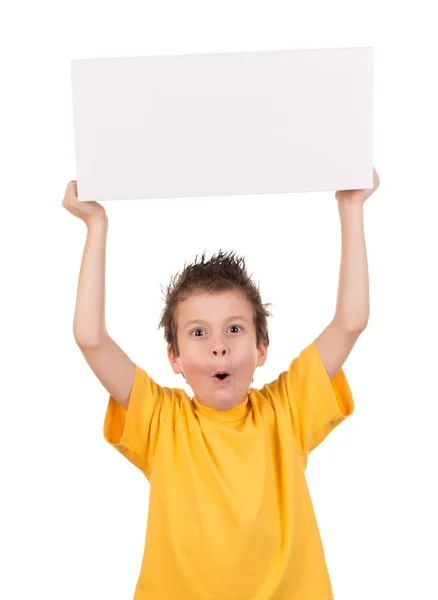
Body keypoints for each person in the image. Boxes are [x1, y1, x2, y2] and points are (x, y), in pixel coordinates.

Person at [63, 167, 380, 599]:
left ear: (261, 349)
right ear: (173, 358)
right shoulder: (161, 419)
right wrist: (95, 225)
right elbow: (91, 338)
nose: (218, 347)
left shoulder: (286, 409)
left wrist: (351, 206)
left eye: (234, 329)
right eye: (198, 332)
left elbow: (350, 321)